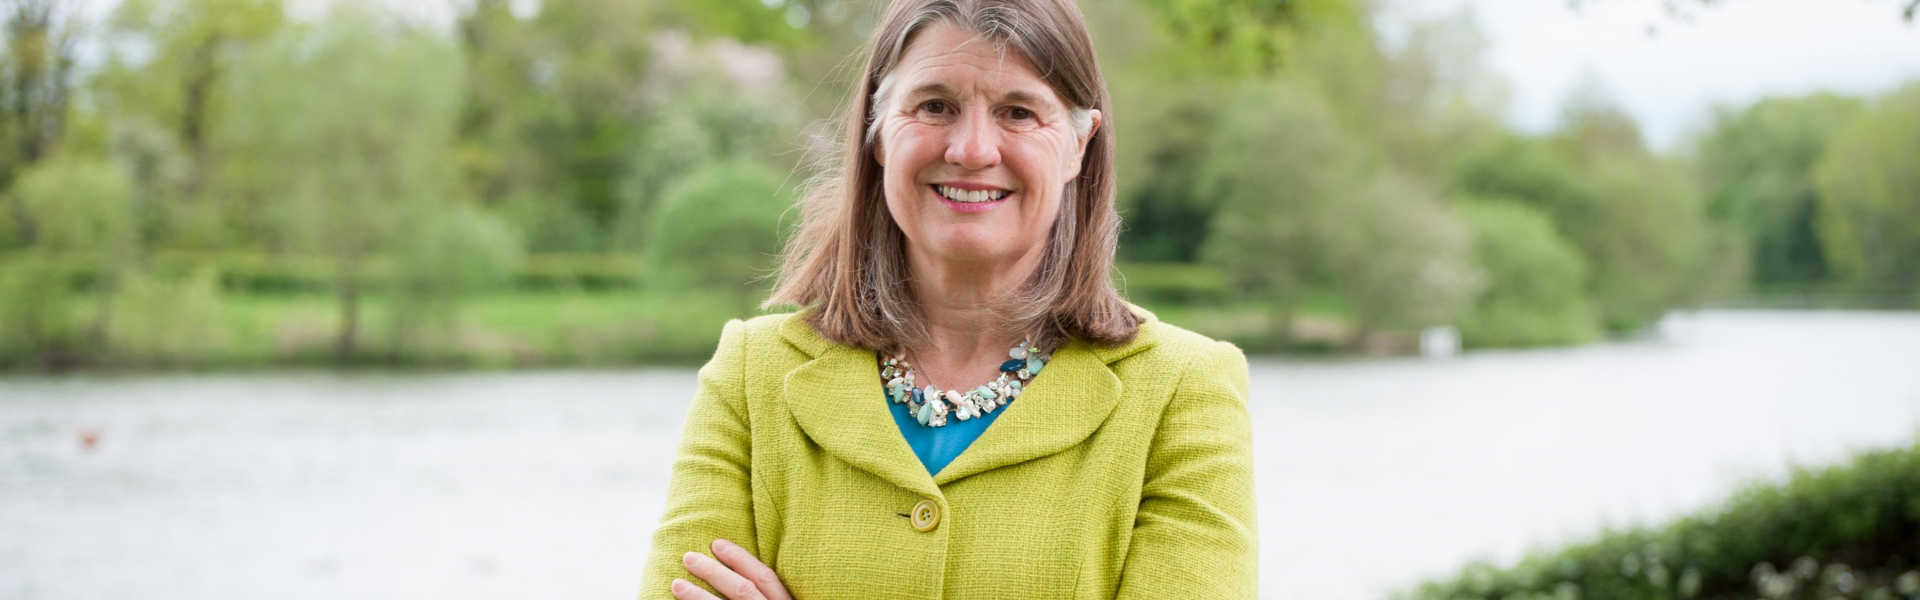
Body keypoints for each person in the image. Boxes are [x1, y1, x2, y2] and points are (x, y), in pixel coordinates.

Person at [638, 0, 1256, 597]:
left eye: (1018, 112)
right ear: (878, 133)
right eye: (935, 106)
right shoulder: (752, 376)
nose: (971, 150)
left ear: (1079, 143)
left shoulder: (1182, 392)